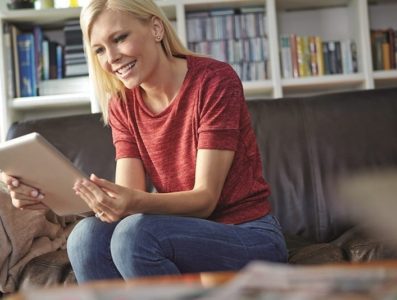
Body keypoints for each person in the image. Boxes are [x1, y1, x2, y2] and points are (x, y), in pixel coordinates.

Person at [1, 0, 288, 283]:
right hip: (174, 235)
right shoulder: (123, 103)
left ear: (155, 28)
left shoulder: (213, 81)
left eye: (120, 38)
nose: (111, 58)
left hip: (248, 235)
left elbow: (205, 200)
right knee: (85, 237)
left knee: (135, 235)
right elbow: (126, 198)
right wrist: (48, 198)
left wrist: (132, 202)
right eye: (99, 50)